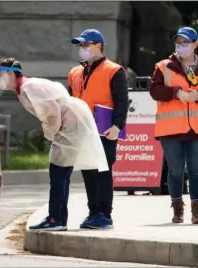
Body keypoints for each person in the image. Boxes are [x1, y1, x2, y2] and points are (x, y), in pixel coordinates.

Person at [0, 57, 109, 231]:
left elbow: (51, 113)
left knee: (59, 172)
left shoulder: (28, 87)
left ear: (10, 73)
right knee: (61, 172)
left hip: (69, 122)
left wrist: (50, 134)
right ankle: (58, 218)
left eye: (0, 75)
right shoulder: (25, 88)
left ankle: (56, 219)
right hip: (70, 120)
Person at [150, 27, 198, 224]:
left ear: (195, 44)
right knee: (175, 171)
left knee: (196, 169)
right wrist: (176, 92)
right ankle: (177, 209)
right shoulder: (163, 66)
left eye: (185, 42)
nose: (181, 46)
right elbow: (155, 91)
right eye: (178, 42)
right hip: (171, 128)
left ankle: (197, 211)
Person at [68, 29, 129, 229]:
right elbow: (70, 101)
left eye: (85, 45)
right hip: (82, 129)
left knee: (102, 172)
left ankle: (105, 214)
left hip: (105, 129)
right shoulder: (75, 72)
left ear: (98, 46)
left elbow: (122, 101)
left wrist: (117, 125)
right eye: (80, 46)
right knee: (88, 171)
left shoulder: (114, 70)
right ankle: (93, 211)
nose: (82, 49)